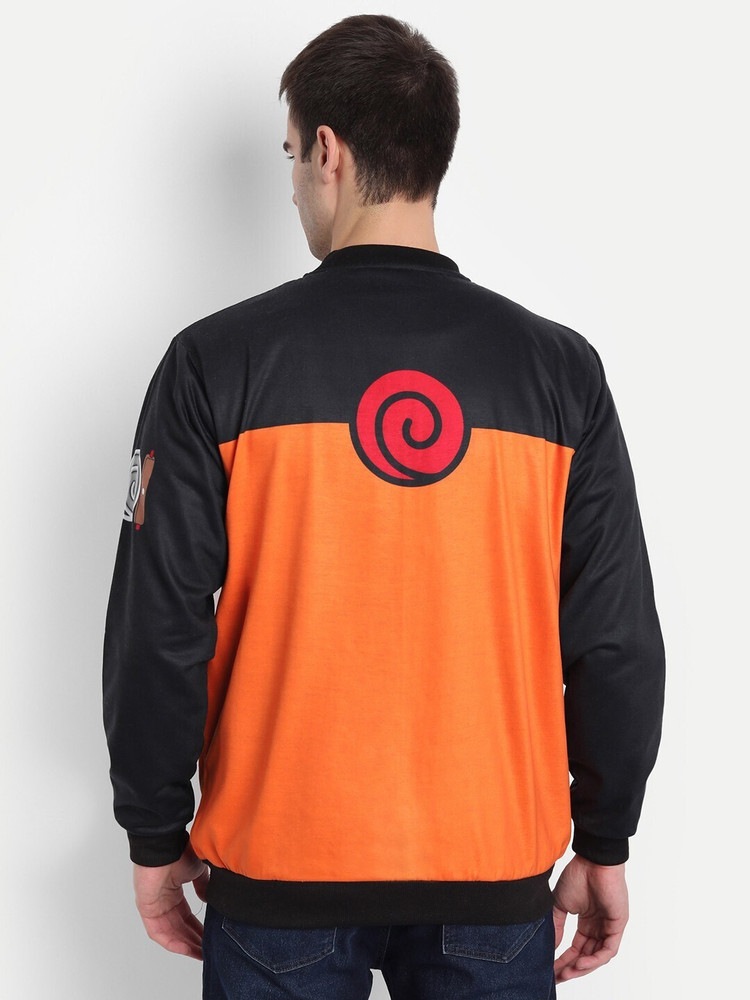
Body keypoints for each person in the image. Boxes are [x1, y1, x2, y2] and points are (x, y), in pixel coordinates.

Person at [102, 13, 666, 1000]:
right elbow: (613, 636)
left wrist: (154, 833)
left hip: (279, 870)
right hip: (490, 873)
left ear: (328, 151)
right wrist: (605, 837)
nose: (291, 183)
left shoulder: (213, 363)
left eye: (290, 155)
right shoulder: (559, 372)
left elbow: (160, 626)